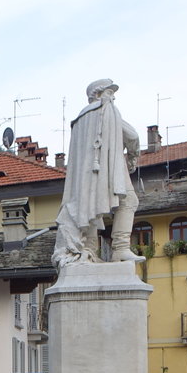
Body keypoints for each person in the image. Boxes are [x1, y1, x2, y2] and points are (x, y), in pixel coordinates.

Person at [54, 78, 144, 267]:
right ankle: (120, 248)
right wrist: (133, 157)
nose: (113, 98)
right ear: (97, 94)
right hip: (111, 168)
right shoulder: (107, 110)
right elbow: (133, 137)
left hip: (84, 177)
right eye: (110, 93)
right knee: (128, 200)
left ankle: (88, 250)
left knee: (89, 209)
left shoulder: (78, 121)